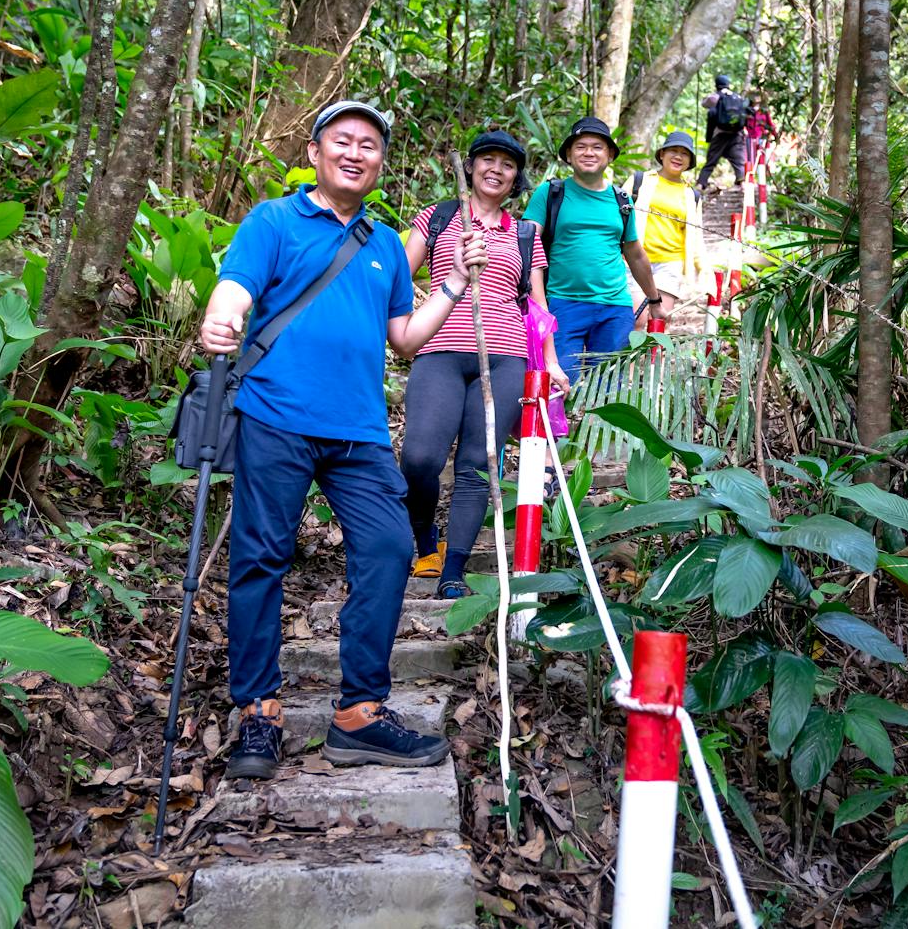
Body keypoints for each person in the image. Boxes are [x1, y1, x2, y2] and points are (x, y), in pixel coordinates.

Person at [197, 100, 487, 778]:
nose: (357, 154)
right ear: (317, 150)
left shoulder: (385, 244)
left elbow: (408, 339)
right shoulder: (273, 220)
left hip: (357, 432)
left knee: (389, 549)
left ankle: (359, 714)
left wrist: (454, 284)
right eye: (344, 141)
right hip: (276, 417)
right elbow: (234, 290)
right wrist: (219, 320)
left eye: (370, 145)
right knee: (261, 558)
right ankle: (258, 713)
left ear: (380, 162)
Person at [401, 130, 569, 598]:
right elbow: (396, 274)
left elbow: (537, 306)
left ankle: (453, 569)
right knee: (419, 458)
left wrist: (551, 363)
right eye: (488, 160)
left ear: (517, 177)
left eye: (507, 164)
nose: (496, 169)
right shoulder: (439, 218)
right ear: (471, 166)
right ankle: (424, 543)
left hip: (506, 356)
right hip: (439, 349)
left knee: (478, 464)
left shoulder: (524, 233)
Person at [523, 115, 667, 382]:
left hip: (614, 307)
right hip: (562, 304)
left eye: (597, 146)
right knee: (562, 384)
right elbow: (526, 242)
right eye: (580, 146)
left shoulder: (621, 199)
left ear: (610, 154)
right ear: (568, 153)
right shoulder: (551, 193)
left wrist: (655, 300)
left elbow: (635, 255)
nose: (588, 152)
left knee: (610, 389)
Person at [627, 130, 706, 313]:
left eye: (684, 153)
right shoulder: (639, 181)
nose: (678, 157)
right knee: (636, 318)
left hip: (670, 263)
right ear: (662, 154)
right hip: (635, 258)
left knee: (660, 320)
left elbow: (696, 236)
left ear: (690, 161)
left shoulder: (691, 195)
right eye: (673, 151)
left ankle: (657, 345)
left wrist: (703, 270)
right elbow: (617, 217)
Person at [696, 72, 747, 189]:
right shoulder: (737, 97)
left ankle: (700, 185)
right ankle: (743, 186)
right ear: (728, 84)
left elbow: (704, 104)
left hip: (720, 134)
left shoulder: (716, 96)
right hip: (736, 134)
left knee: (711, 161)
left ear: (717, 84)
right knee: (738, 162)